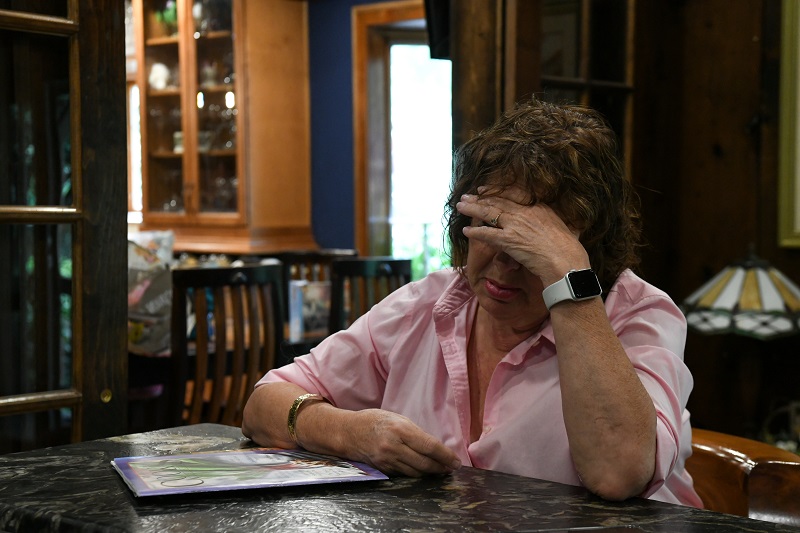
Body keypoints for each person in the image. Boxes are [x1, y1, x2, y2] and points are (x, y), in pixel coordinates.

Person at [242, 98, 702, 506]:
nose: (503, 263)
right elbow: (263, 405)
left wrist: (569, 283)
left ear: (587, 245)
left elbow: (618, 473)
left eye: (530, 244)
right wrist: (349, 432)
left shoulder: (637, 313)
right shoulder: (431, 302)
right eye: (489, 227)